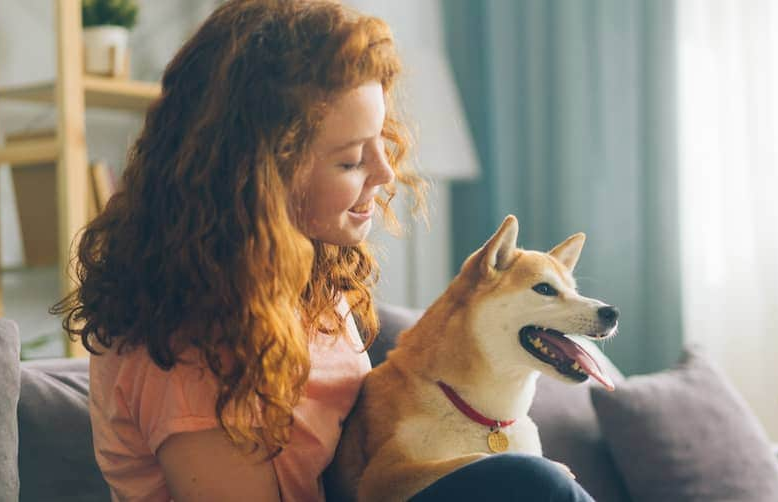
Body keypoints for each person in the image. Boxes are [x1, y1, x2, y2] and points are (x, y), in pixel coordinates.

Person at [51, 1, 594, 501]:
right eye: (351, 160)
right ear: (259, 178)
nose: (385, 173)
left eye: (381, 141)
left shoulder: (312, 282)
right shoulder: (185, 346)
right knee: (535, 485)